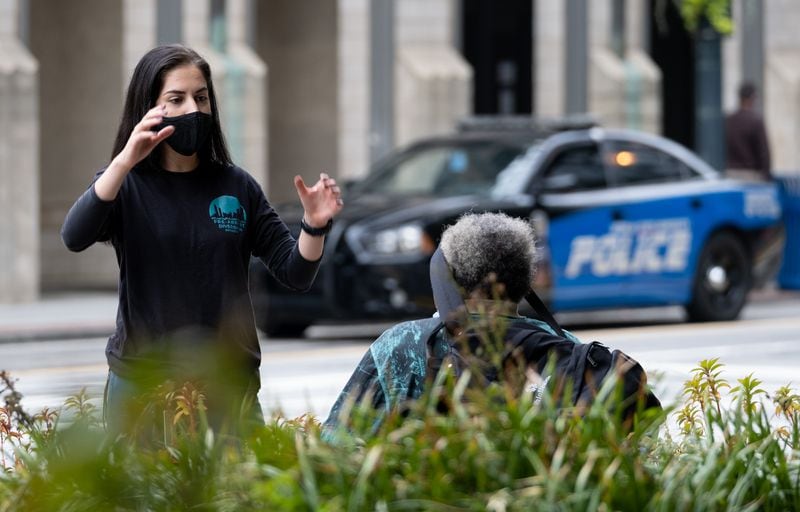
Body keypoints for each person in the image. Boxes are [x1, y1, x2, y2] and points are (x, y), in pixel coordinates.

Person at [61, 44, 343, 436]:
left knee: (237, 497)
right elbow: (74, 236)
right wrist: (124, 161)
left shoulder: (237, 185)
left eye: (201, 97)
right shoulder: (126, 185)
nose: (193, 109)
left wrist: (314, 225)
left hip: (229, 387)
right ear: (150, 108)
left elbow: (295, 273)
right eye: (176, 99)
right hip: (144, 385)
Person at [322, 212, 584, 437]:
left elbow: (338, 440)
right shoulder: (564, 344)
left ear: (448, 279)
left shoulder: (404, 342)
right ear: (526, 279)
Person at [725, 82, 772, 180]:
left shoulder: (729, 120)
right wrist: (766, 176)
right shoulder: (755, 121)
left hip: (730, 174)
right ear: (752, 98)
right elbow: (764, 152)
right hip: (751, 177)